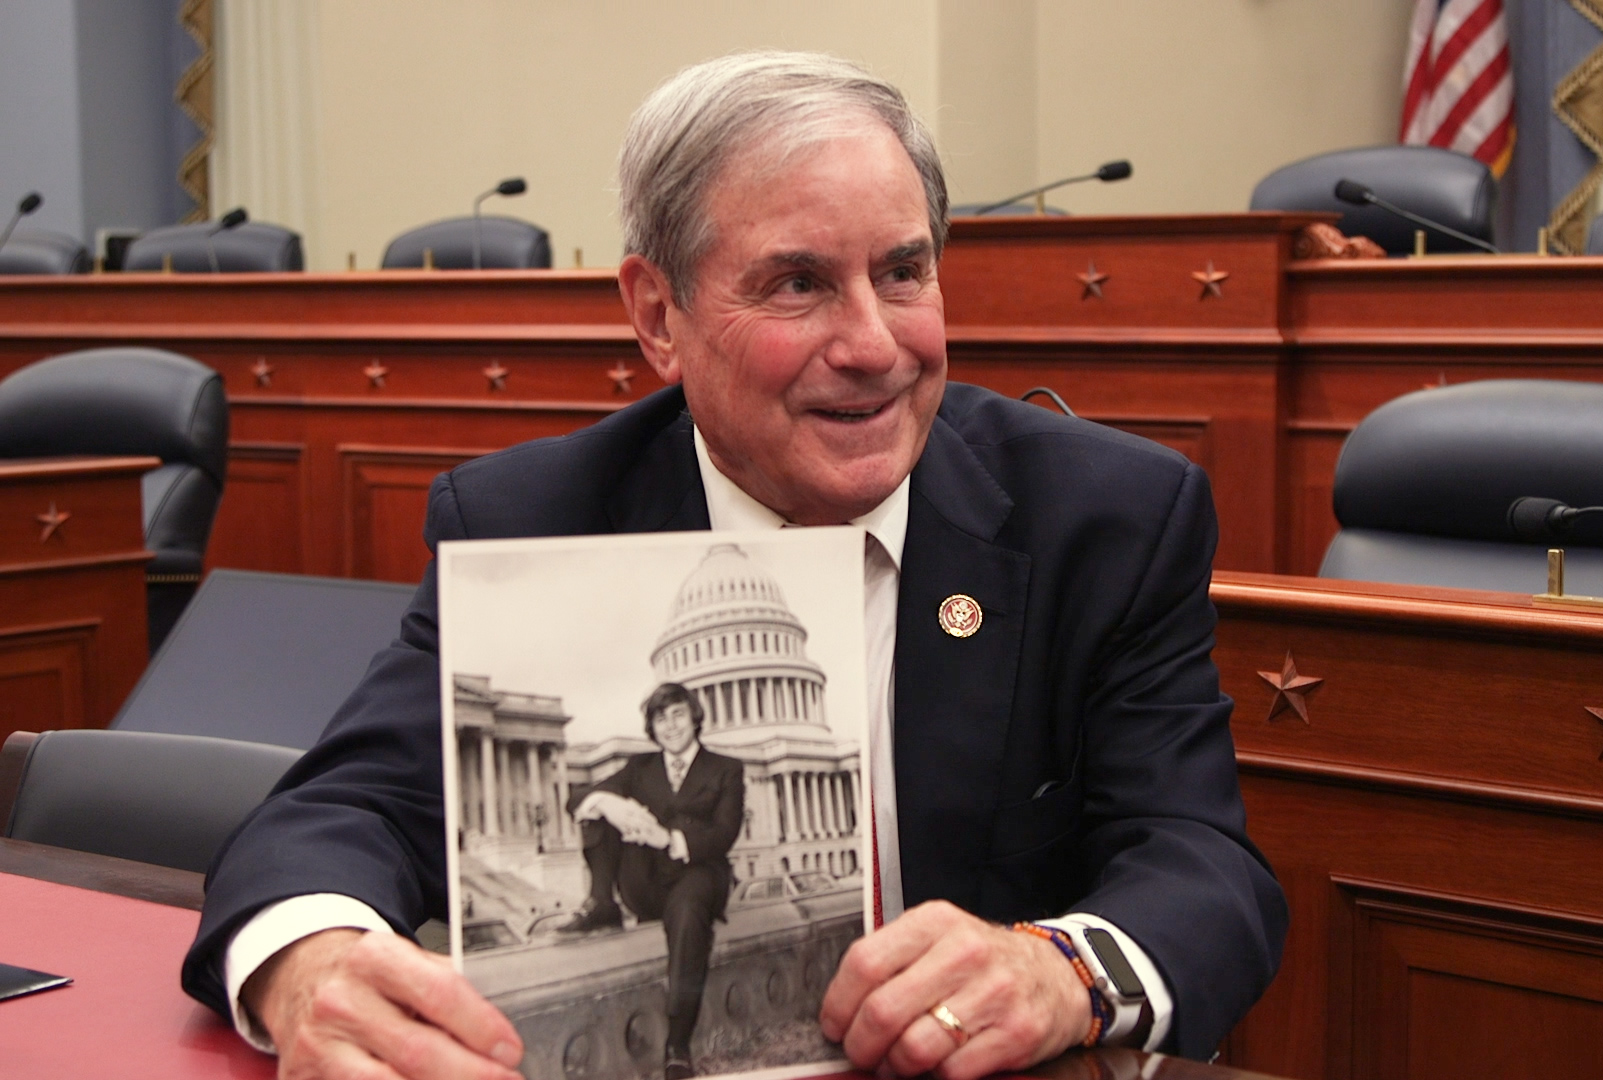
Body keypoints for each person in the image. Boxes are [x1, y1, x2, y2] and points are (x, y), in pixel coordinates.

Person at [183, 50, 1287, 1080]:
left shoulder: (1106, 517)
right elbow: (343, 813)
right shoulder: (538, 520)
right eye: (797, 285)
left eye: (903, 272)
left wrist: (1061, 969)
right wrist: (309, 961)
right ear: (658, 316)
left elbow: (1204, 869)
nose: (873, 345)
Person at [561, 682, 744, 1079]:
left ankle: (677, 1043)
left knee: (688, 913)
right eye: (661, 718)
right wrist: (609, 802)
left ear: (695, 717)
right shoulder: (638, 768)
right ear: (652, 727)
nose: (671, 725)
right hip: (645, 882)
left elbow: (725, 832)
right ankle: (602, 903)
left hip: (697, 875)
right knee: (598, 807)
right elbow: (575, 798)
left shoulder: (726, 768)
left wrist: (671, 839)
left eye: (678, 714)